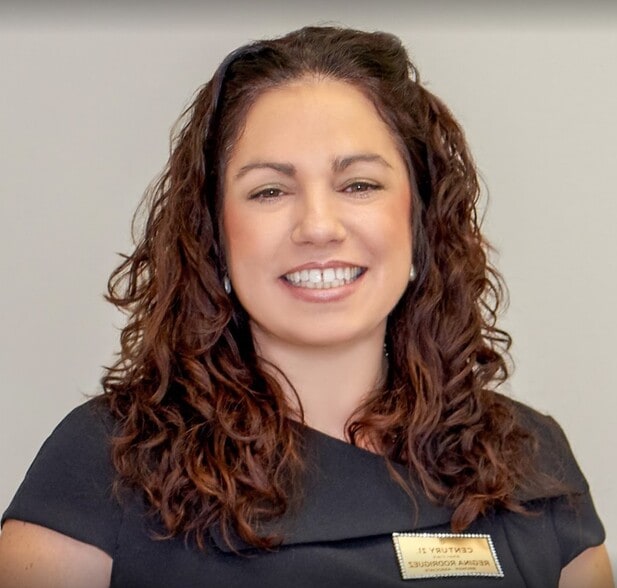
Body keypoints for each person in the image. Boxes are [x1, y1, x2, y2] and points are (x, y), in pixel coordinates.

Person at [0, 25, 612, 588]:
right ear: (214, 234)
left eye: (359, 184)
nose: (318, 226)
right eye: (270, 190)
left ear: (420, 219)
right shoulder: (104, 466)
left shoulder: (533, 460)